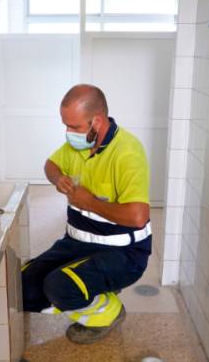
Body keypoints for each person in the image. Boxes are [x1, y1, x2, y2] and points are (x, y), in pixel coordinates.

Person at [22, 84, 152, 344]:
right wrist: (58, 179)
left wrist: (90, 202)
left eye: (74, 126)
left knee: (58, 286)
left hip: (123, 254)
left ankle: (108, 312)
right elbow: (51, 164)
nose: (69, 133)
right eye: (65, 126)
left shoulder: (127, 152)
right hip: (77, 243)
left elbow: (138, 216)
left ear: (98, 121)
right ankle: (91, 285)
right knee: (22, 288)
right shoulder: (80, 145)